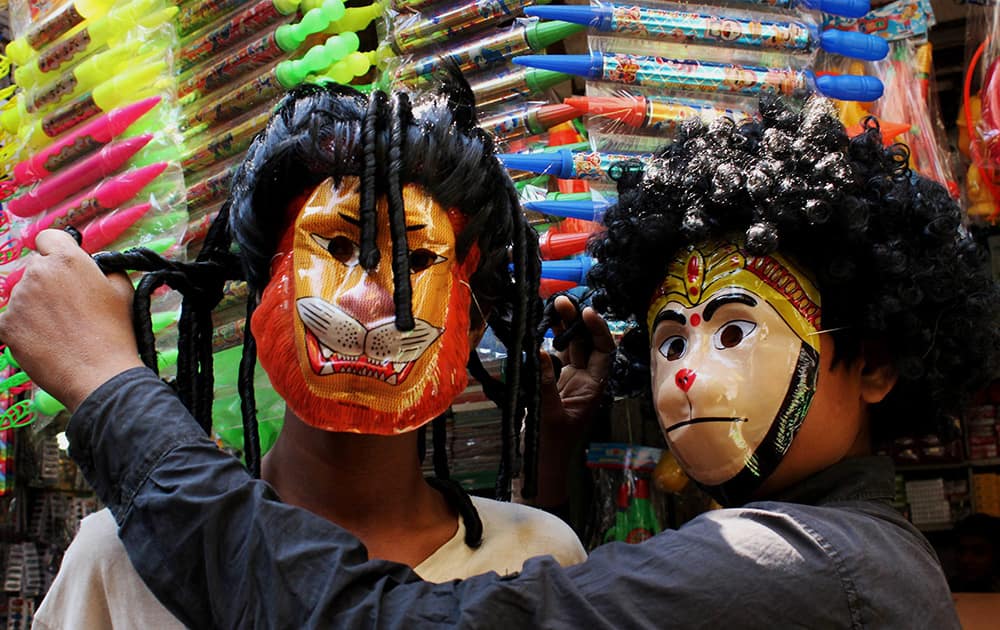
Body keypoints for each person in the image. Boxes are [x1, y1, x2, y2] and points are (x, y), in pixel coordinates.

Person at [3, 95, 996, 628]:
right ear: (255, 289)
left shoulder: (799, 567)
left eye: (736, 330)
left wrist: (112, 388)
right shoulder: (109, 563)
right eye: (665, 338)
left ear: (872, 361)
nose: (685, 376)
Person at [23, 82, 586, 629]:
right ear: (266, 288)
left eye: (416, 262)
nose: (370, 302)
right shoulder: (118, 561)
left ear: (471, 316)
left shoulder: (537, 559)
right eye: (337, 248)